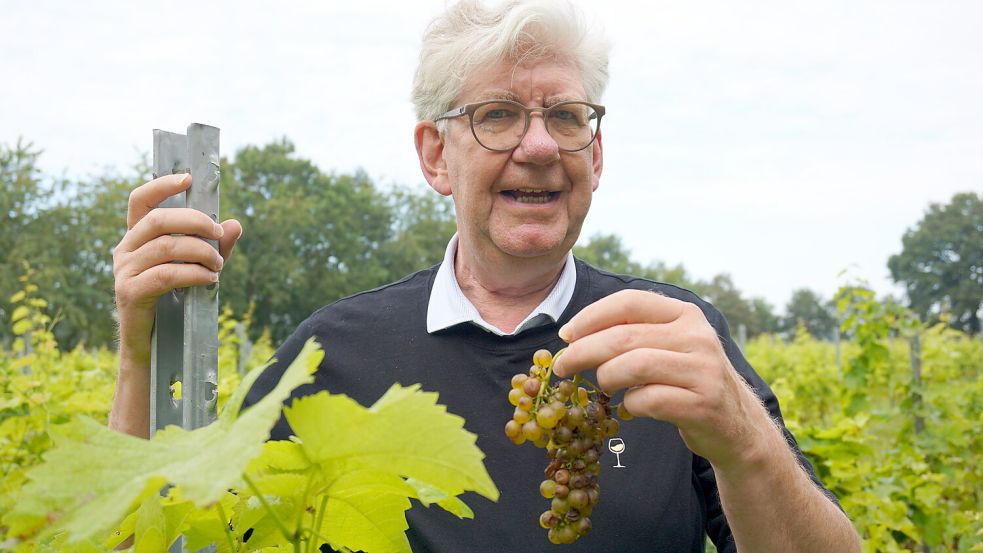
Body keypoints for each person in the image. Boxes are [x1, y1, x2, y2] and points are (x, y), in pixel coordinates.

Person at [109, 1, 861, 551]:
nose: (538, 145)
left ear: (594, 155)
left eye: (566, 116)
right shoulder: (334, 351)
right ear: (435, 155)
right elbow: (169, 534)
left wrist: (744, 439)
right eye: (497, 115)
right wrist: (140, 355)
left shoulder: (674, 338)